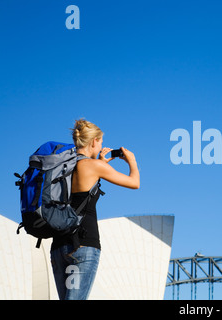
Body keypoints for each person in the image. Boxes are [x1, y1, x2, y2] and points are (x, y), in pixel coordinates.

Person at [50, 119, 140, 300]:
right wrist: (132, 161)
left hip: (59, 246)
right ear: (93, 142)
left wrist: (101, 162)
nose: (101, 147)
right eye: (100, 143)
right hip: (82, 245)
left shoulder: (61, 165)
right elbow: (134, 183)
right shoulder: (94, 166)